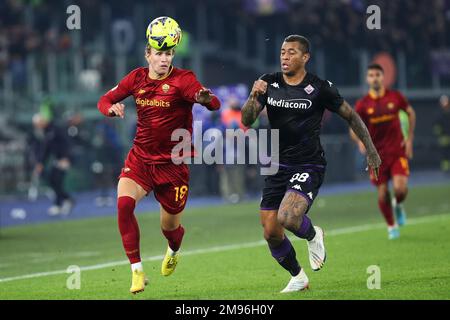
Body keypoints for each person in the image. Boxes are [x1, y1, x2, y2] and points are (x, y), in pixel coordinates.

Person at [241, 35, 381, 293]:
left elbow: (351, 116)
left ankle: (313, 235)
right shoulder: (269, 82)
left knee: (288, 217)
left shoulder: (319, 87)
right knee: (271, 231)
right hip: (276, 165)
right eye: (282, 52)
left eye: (291, 52)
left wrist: (371, 150)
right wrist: (253, 96)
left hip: (308, 164)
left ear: (305, 57)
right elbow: (247, 119)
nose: (285, 57)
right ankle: (298, 277)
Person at [97, 35, 220, 294]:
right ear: (147, 55)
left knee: (170, 228)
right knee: (123, 204)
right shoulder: (136, 78)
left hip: (173, 165)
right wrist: (111, 109)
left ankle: (174, 248)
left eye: (169, 54)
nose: (164, 59)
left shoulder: (184, 79)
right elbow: (104, 100)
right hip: (141, 158)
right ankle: (137, 271)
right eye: (159, 53)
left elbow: (213, 103)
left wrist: (205, 99)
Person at [351, 64, 416, 240]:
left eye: (377, 74)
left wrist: (409, 139)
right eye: (371, 75)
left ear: (383, 77)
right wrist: (359, 141)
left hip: (397, 151)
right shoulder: (363, 104)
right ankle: (391, 225)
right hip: (376, 156)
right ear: (367, 79)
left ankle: (398, 204)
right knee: (382, 193)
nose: (374, 78)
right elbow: (353, 125)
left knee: (400, 189)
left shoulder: (395, 97)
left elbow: (410, 113)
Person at [32, 113, 74, 216]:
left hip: (64, 159)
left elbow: (66, 143)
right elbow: (46, 149)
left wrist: (66, 158)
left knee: (56, 181)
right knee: (53, 181)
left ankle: (62, 203)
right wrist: (40, 163)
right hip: (58, 160)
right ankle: (64, 201)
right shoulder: (47, 131)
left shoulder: (55, 129)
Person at [433, 95, 450, 174]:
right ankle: (446, 170)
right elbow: (437, 127)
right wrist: (441, 135)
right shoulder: (439, 115)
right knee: (445, 156)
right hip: (444, 140)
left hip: (445, 138)